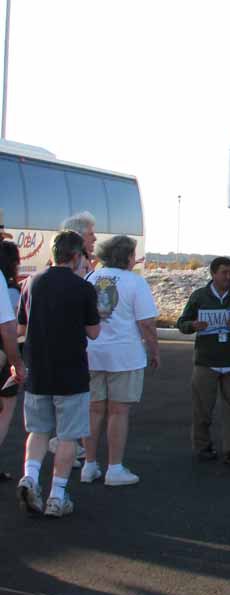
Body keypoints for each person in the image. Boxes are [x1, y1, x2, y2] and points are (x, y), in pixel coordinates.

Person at [16, 231, 100, 518]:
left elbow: (20, 328)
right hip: (71, 372)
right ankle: (57, 495)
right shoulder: (83, 288)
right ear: (76, 256)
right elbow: (93, 331)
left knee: (38, 431)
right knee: (67, 436)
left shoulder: (31, 283)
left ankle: (30, 476)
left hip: (37, 369)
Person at [81, 234, 159, 487]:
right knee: (118, 410)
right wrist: (154, 350)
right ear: (127, 256)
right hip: (124, 355)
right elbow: (146, 323)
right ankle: (114, 468)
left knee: (93, 409)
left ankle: (89, 464)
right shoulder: (135, 282)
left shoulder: (91, 278)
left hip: (92, 352)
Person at [176, 257, 230, 464]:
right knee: (202, 409)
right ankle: (203, 447)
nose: (229, 277)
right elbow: (182, 323)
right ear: (213, 274)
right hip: (206, 362)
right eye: (224, 272)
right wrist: (193, 325)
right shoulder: (199, 297)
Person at [47, 210, 98, 465]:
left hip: (63, 346)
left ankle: (66, 442)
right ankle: (64, 445)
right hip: (69, 347)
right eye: (90, 234)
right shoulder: (77, 272)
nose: (95, 238)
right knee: (70, 399)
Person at [0, 243, 25, 479]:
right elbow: (11, 328)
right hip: (4, 352)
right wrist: (17, 361)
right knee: (6, 409)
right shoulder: (10, 288)